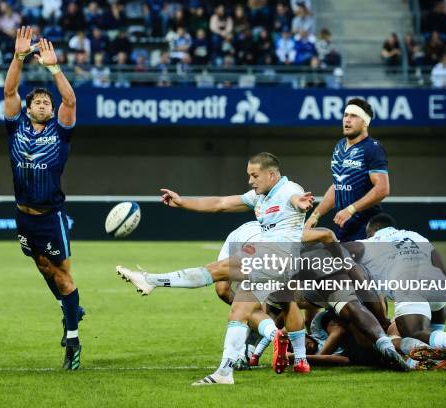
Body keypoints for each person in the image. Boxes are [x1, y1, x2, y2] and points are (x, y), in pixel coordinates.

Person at [117, 153, 314, 384]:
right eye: (248, 175)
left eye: (254, 175)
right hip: (272, 263)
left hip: (275, 258)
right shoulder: (260, 196)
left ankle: (150, 280)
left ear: (271, 174)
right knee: (239, 312)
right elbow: (220, 204)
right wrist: (182, 202)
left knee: (217, 270)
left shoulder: (289, 189)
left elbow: (295, 198)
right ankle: (224, 373)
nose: (250, 180)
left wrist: (300, 202)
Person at [3, 26, 82, 370]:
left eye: (46, 101)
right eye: (37, 101)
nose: (42, 103)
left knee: (64, 277)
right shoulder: (15, 126)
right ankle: (71, 309)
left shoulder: (59, 132)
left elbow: (71, 100)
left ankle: (73, 340)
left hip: (51, 215)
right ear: (29, 108)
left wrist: (54, 68)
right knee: (42, 266)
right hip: (23, 214)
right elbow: (9, 89)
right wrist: (18, 58)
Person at [345, 213, 446, 370]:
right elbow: (443, 267)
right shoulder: (416, 235)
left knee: (413, 331)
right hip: (439, 285)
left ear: (374, 230)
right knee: (429, 328)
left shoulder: (370, 242)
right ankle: (441, 349)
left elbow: (340, 250)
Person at [305, 98, 389, 242]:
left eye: (354, 116)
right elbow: (338, 185)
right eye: (345, 115)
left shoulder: (373, 148)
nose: (347, 120)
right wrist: (315, 215)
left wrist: (351, 209)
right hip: (344, 228)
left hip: (367, 230)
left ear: (365, 122)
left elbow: (382, 189)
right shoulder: (339, 146)